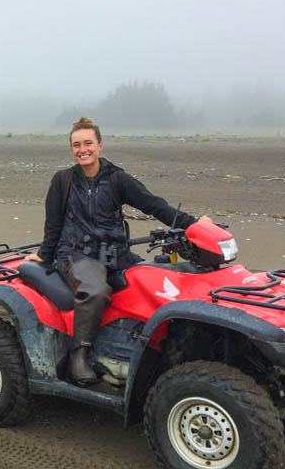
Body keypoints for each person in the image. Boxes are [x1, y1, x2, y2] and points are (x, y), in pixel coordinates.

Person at [24, 117, 210, 384]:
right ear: (71, 149)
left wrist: (193, 226)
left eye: (88, 143)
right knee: (96, 290)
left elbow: (154, 205)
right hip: (76, 253)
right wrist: (44, 254)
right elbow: (53, 222)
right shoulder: (62, 180)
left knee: (156, 284)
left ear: (100, 145)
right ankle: (79, 355)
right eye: (76, 145)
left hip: (115, 253)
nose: (82, 149)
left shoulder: (117, 179)